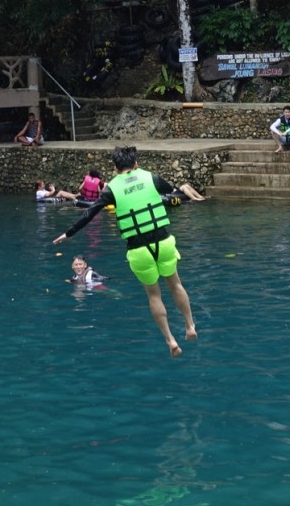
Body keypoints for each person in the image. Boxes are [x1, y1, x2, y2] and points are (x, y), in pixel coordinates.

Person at [53, 146, 198, 356]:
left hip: (138, 249)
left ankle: (171, 340)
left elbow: (90, 213)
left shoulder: (111, 189)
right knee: (175, 284)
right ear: (136, 163)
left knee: (154, 296)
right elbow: (171, 192)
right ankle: (190, 326)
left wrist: (68, 233)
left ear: (114, 167)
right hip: (163, 241)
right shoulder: (150, 177)